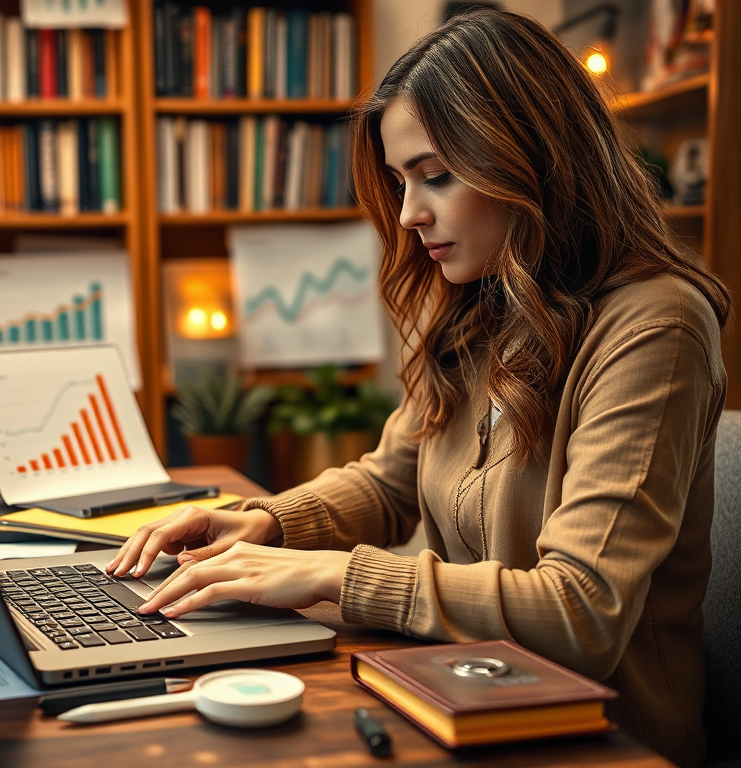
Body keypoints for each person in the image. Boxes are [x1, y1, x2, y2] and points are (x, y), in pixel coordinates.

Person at [106, 9, 730, 767]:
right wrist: (268, 524)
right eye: (403, 181)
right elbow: (391, 479)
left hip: (596, 740)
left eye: (436, 176)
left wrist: (336, 573)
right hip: (458, 699)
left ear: (532, 158)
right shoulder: (486, 302)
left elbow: (580, 612)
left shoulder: (655, 325)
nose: (409, 215)